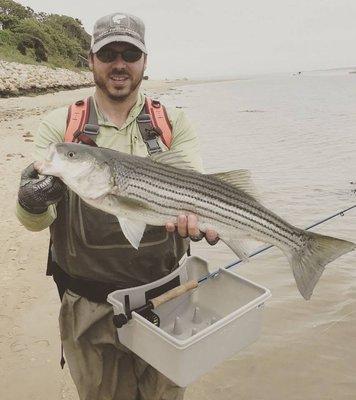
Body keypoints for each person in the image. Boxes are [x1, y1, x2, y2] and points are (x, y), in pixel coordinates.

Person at [16, 12, 218, 400]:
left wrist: (199, 219)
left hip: (168, 298)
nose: (119, 64)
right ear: (91, 60)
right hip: (88, 305)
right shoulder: (61, 126)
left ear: (145, 61)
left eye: (130, 53)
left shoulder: (172, 122)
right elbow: (34, 223)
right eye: (109, 53)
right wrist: (32, 201)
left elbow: (194, 189)